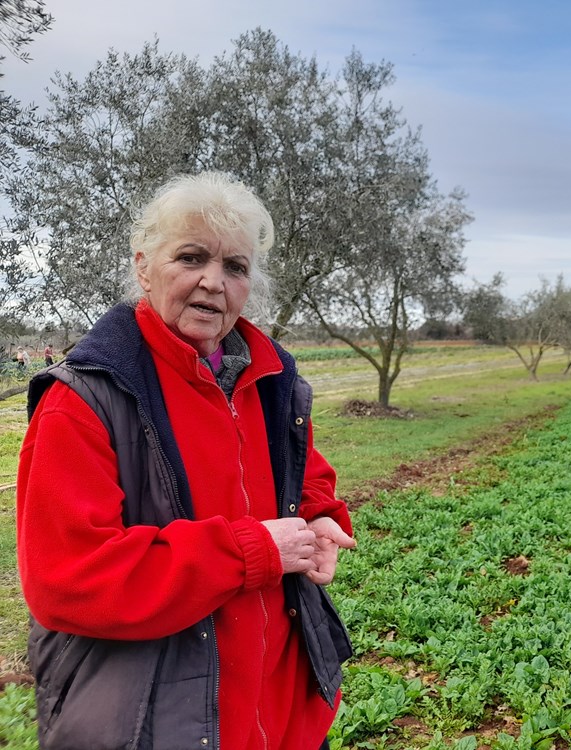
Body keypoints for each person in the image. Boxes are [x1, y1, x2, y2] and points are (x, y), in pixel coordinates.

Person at [17, 172, 356, 750]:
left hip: (280, 710)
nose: (212, 282)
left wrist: (319, 512)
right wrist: (250, 553)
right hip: (161, 721)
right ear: (144, 266)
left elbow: (300, 466)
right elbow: (67, 579)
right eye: (191, 256)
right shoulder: (83, 402)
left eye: (235, 267)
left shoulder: (266, 377)